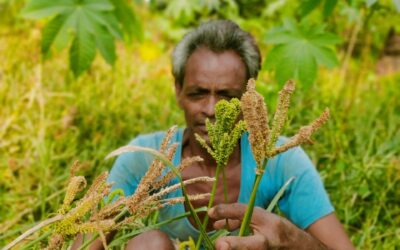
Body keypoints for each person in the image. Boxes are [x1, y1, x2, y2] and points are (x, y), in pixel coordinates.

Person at [74, 20, 355, 250]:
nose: (211, 110)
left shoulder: (282, 160)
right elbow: (86, 243)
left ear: (249, 97)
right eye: (198, 94)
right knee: (149, 244)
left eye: (227, 96)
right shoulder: (146, 158)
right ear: (178, 91)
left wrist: (289, 238)